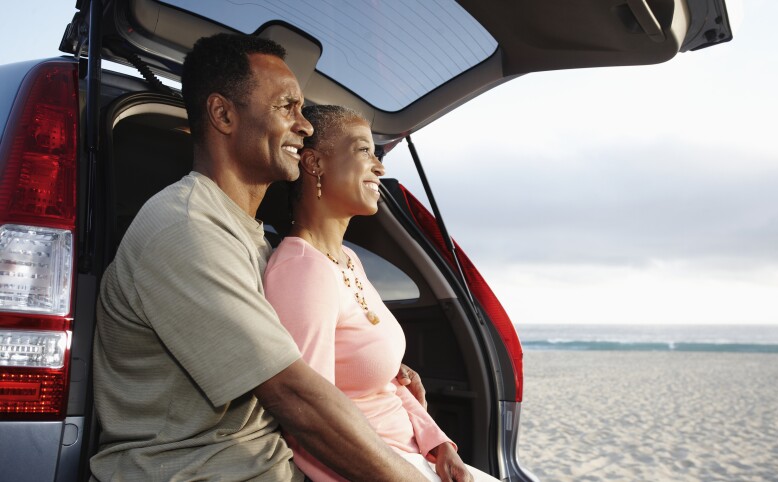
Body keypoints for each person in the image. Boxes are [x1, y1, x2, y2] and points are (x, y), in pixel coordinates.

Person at [90, 34, 429, 481]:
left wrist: (381, 371)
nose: (304, 126)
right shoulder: (187, 227)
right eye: (286, 107)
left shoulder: (253, 241)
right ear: (224, 114)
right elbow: (295, 396)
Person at [263, 105, 498, 482]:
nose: (379, 166)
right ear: (314, 163)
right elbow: (309, 423)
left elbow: (387, 382)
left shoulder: (348, 260)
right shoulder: (302, 271)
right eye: (363, 151)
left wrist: (439, 447)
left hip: (412, 459)